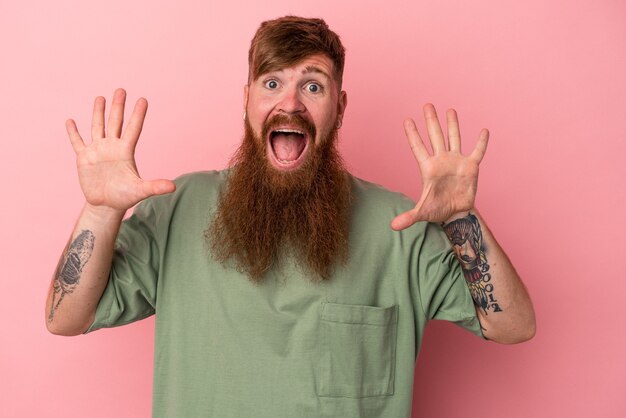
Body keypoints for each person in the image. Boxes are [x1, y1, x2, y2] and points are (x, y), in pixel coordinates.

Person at [46, 15, 535, 418]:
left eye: (314, 86)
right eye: (273, 82)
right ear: (247, 101)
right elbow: (65, 318)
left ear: (339, 109)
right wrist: (101, 210)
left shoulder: (399, 228)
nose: (291, 102)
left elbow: (513, 325)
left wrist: (461, 219)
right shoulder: (176, 209)